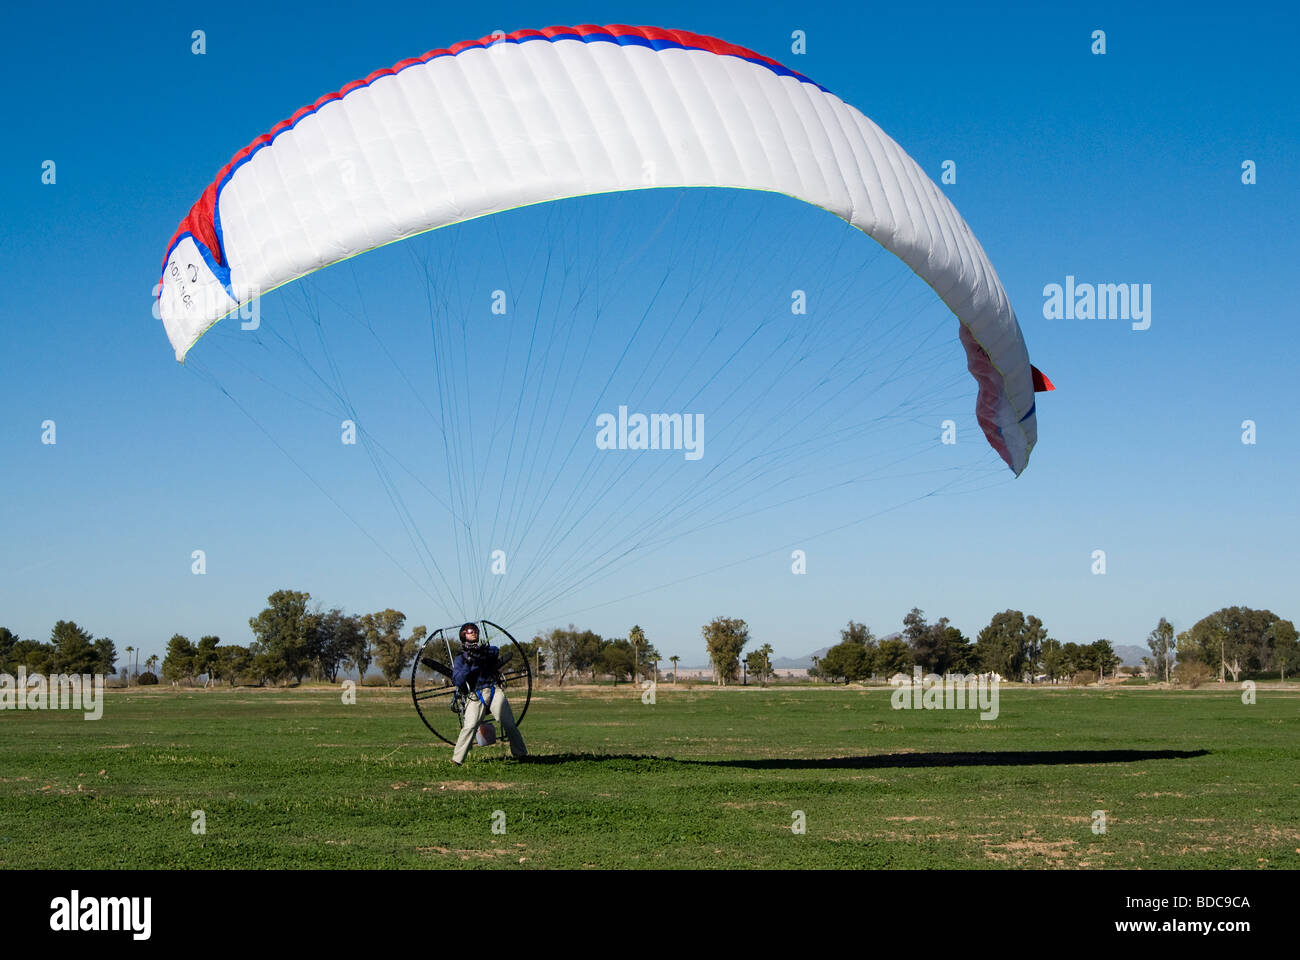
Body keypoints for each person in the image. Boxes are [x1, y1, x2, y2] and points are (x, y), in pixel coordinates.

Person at [450, 622, 527, 765]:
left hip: (493, 690)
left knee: (509, 723)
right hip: (475, 695)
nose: (473, 632)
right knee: (470, 726)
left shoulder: (486, 652)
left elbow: (495, 651)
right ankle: (457, 760)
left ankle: (521, 754)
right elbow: (457, 680)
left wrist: (482, 653)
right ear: (463, 635)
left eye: (474, 630)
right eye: (469, 631)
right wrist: (468, 663)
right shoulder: (461, 658)